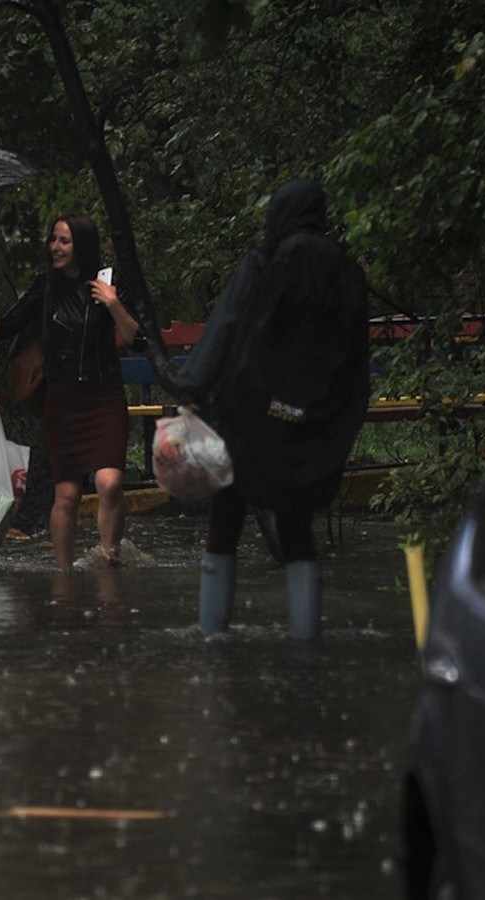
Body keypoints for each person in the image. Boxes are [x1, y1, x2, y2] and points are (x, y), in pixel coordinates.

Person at [175, 179, 370, 639]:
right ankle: (306, 643)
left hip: (248, 416)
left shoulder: (266, 262)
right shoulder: (345, 270)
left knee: (224, 521)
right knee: (297, 529)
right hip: (305, 426)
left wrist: (192, 386)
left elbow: (227, 322)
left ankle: (211, 636)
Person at [0, 214, 141, 569]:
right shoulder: (46, 287)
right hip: (63, 403)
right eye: (53, 239)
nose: (55, 247)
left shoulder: (108, 283)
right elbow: (0, 327)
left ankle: (110, 559)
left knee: (111, 483)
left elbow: (136, 338)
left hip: (104, 398)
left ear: (81, 246)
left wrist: (113, 303)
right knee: (67, 494)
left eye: (64, 241)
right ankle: (64, 572)